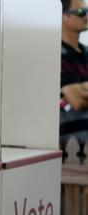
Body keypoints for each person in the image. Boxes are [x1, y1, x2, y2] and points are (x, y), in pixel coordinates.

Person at [60, 0, 88, 144]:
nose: (86, 16)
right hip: (69, 147)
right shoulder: (57, 54)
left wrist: (82, 88)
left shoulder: (86, 52)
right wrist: (79, 90)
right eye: (80, 12)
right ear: (64, 16)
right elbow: (77, 101)